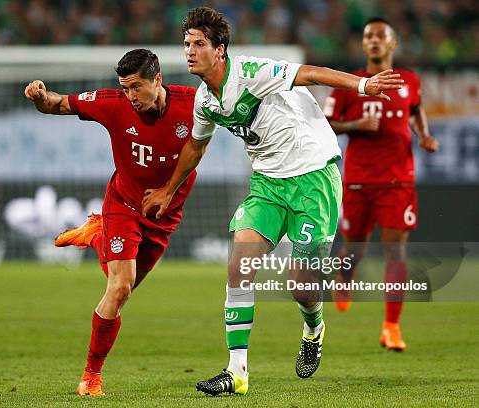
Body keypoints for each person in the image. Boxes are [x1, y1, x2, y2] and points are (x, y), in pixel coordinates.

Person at [142, 7, 403, 396]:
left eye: (198, 44)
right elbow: (196, 146)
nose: (190, 52)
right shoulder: (204, 101)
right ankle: (237, 372)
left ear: (221, 50)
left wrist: (363, 87)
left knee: (301, 285)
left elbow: (310, 74)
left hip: (314, 175)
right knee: (238, 266)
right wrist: (167, 189)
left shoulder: (251, 72)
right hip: (268, 182)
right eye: (186, 44)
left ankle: (314, 327)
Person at [24, 49, 197, 396]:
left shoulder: (195, 103)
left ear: (157, 80)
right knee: (118, 288)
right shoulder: (114, 104)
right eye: (125, 87)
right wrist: (41, 98)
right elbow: (58, 105)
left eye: (136, 87)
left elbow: (239, 108)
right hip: (123, 205)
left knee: (125, 287)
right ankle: (91, 376)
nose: (130, 96)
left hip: (164, 217)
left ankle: (95, 235)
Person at [324, 18, 439, 351]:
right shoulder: (349, 83)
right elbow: (328, 124)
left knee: (395, 252)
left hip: (398, 180)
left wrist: (424, 135)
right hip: (359, 180)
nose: (374, 41)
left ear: (393, 44)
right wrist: (358, 123)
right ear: (363, 45)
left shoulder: (410, 81)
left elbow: (416, 111)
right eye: (368, 36)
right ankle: (345, 277)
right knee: (354, 249)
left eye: (380, 36)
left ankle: (391, 326)